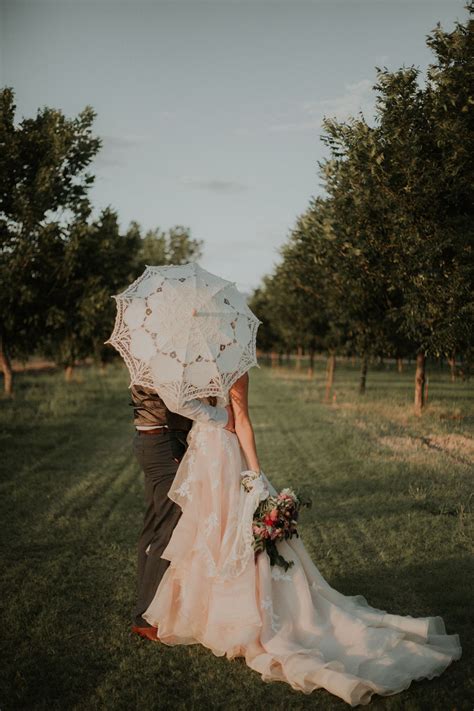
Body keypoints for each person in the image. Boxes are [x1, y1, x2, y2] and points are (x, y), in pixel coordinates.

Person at [139, 372, 462, 706]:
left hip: (217, 455)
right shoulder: (213, 368)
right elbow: (224, 416)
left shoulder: (217, 369)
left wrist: (253, 475)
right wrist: (229, 433)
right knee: (212, 535)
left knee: (228, 535)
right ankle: (210, 612)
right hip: (208, 458)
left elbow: (235, 420)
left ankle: (228, 614)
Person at [129, 383, 235, 640]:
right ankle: (145, 617)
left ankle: (145, 604)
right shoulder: (165, 356)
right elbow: (178, 402)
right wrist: (223, 417)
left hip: (148, 439)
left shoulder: (147, 349)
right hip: (163, 444)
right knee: (167, 531)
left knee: (154, 525)